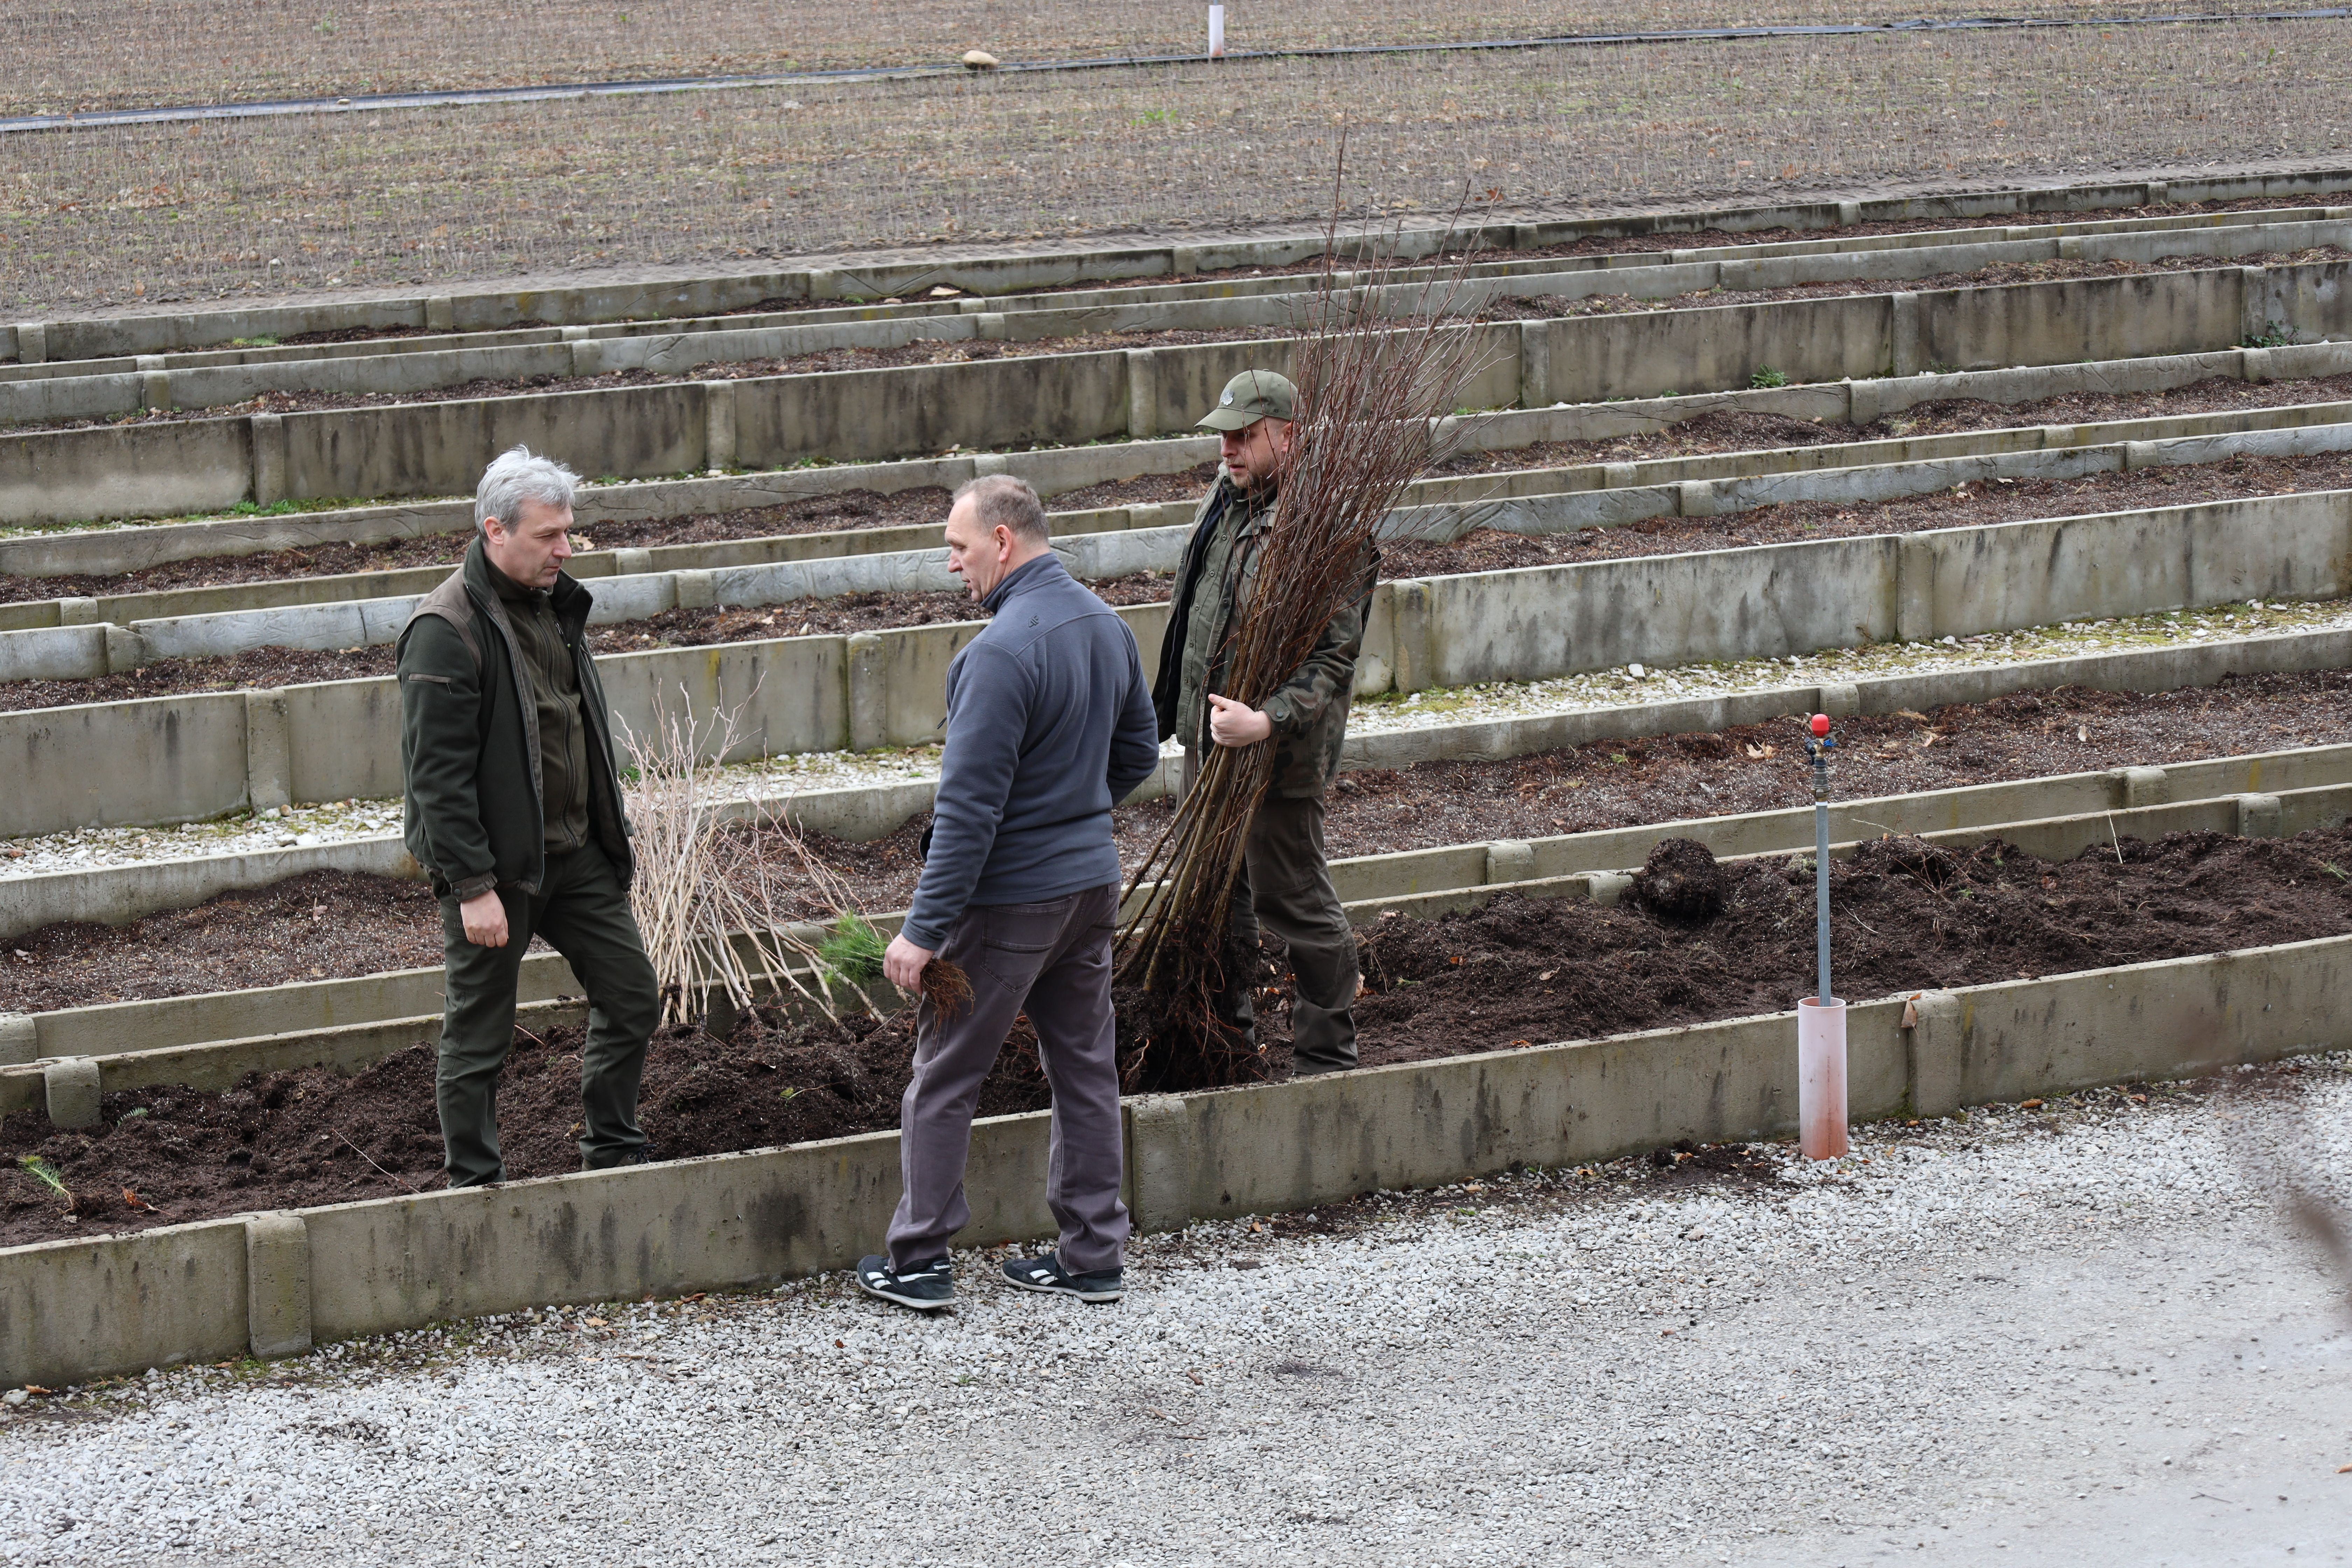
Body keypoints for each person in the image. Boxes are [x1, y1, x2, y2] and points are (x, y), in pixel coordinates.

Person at [856, 474, 1160, 1312]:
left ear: (1001, 540)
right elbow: (1138, 754)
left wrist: (921, 932)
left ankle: (918, 1259)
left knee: (947, 1073)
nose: (950, 565)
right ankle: (1094, 1253)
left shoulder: (995, 654)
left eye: (958, 548)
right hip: (1091, 885)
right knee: (1086, 1071)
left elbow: (967, 814)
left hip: (1012, 901)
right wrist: (1073, 809)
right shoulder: (1107, 624)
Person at [396, 446, 659, 1188]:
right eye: (549, 536)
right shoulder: (446, 629)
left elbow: (577, 729)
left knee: (633, 993)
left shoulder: (554, 608)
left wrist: (610, 839)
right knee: (480, 1034)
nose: (565, 549)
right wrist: (472, 883)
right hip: (498, 869)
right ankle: (474, 1183)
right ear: (494, 531)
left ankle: (612, 1146)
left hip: (574, 857)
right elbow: (435, 779)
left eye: (567, 532)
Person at [1152, 368, 1371, 1076]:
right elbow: (1192, 619)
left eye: (1244, 436)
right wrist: (1174, 717)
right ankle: (1228, 1040)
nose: (1228, 449)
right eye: (1223, 435)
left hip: (1275, 753)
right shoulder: (1223, 503)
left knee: (1294, 899)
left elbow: (1333, 662)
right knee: (1213, 897)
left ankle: (1327, 1053)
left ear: (1288, 435)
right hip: (1209, 739)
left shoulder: (1327, 530)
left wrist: (1266, 720)